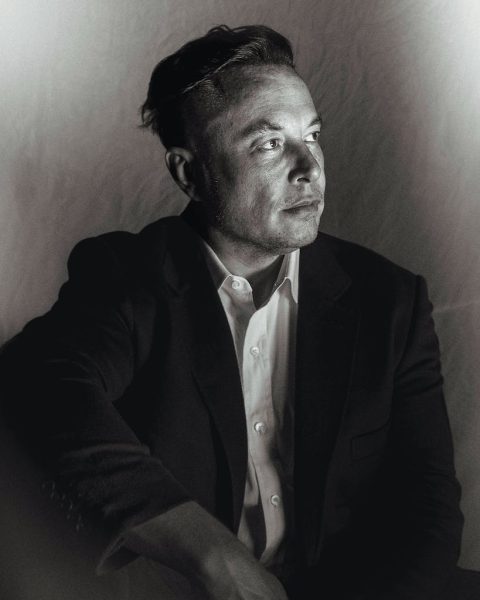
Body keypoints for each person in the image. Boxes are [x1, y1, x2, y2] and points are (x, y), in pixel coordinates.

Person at [0, 24, 464, 600]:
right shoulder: (125, 278)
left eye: (312, 135)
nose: (310, 167)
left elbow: (428, 509)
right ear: (189, 173)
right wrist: (213, 555)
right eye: (269, 144)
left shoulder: (390, 299)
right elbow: (41, 382)